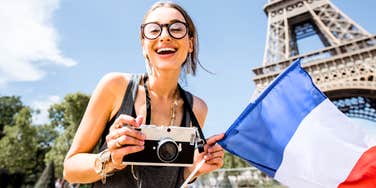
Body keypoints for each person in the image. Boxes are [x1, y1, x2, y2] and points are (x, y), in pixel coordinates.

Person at [63, 1, 225, 188]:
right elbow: (70, 169)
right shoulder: (115, 86)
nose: (165, 36)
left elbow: (174, 181)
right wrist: (111, 159)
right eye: (154, 30)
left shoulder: (198, 108)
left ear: (190, 43)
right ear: (143, 45)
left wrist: (193, 170)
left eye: (177, 28)